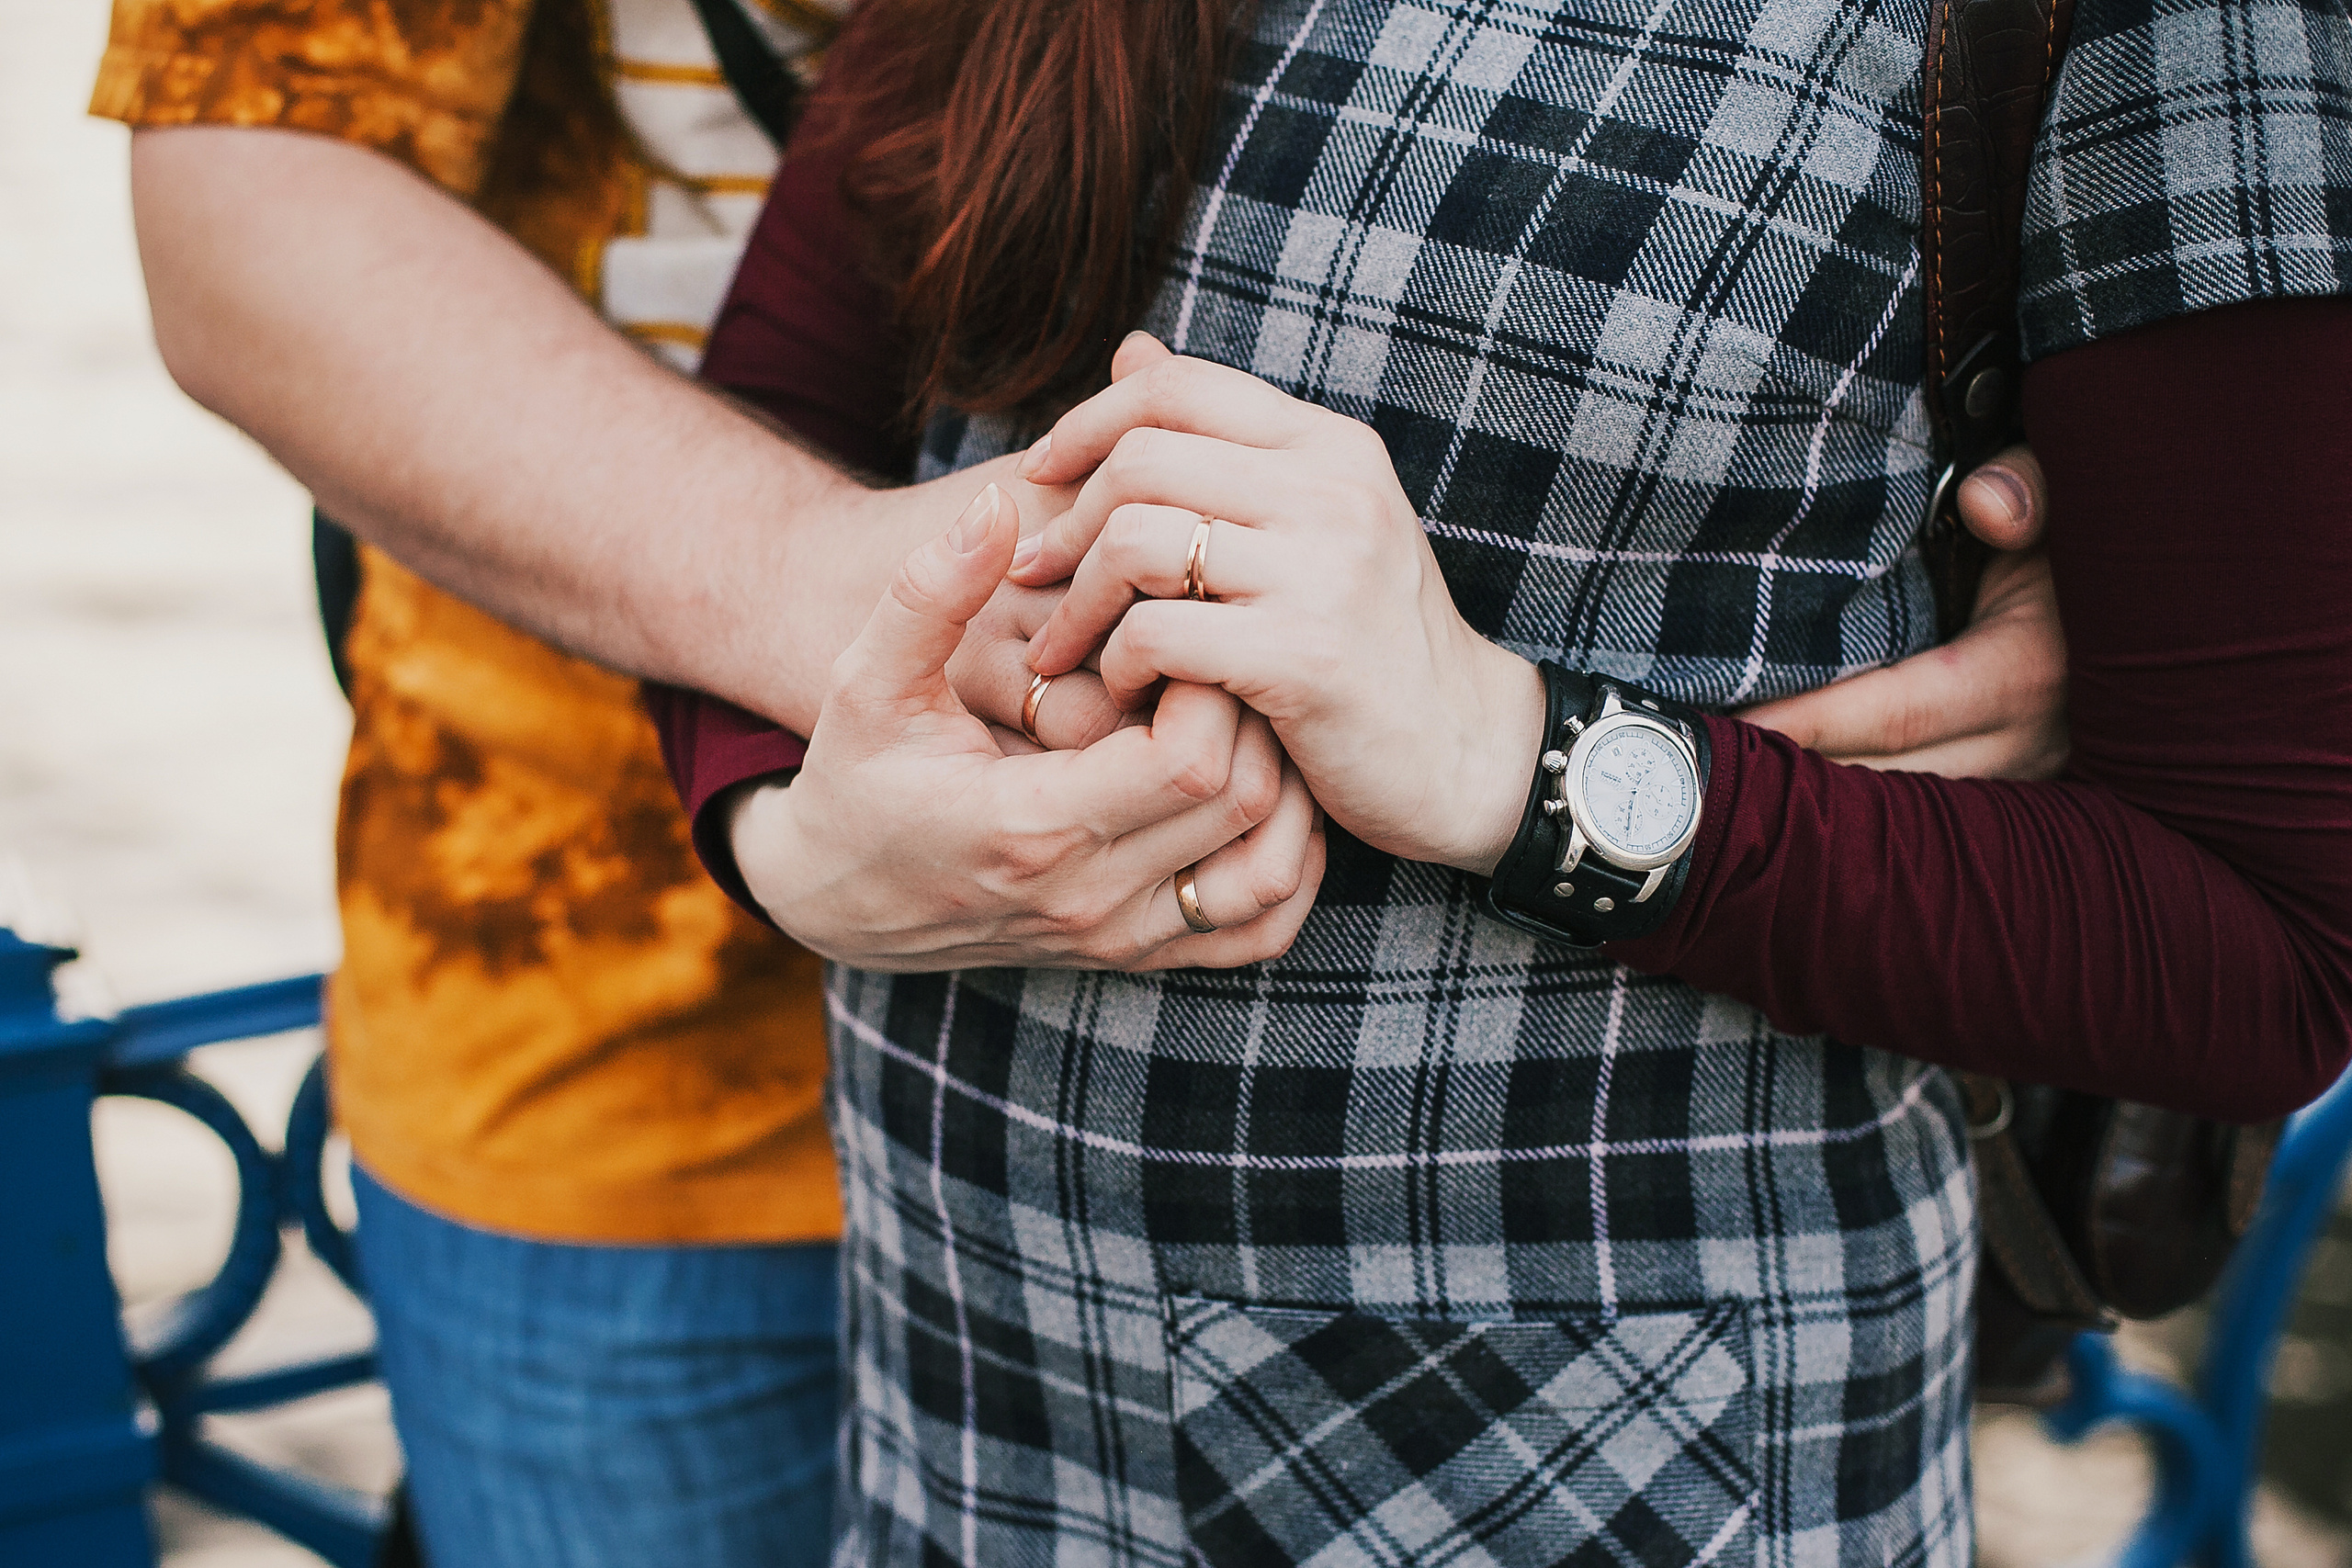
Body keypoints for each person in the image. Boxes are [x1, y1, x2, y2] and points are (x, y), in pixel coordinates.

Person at [662, 0, 2352, 1562]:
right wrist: (785, 840)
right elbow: (774, 440)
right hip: (965, 1379)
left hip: (1618, 1464)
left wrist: (1511, 757)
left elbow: (2264, 953)